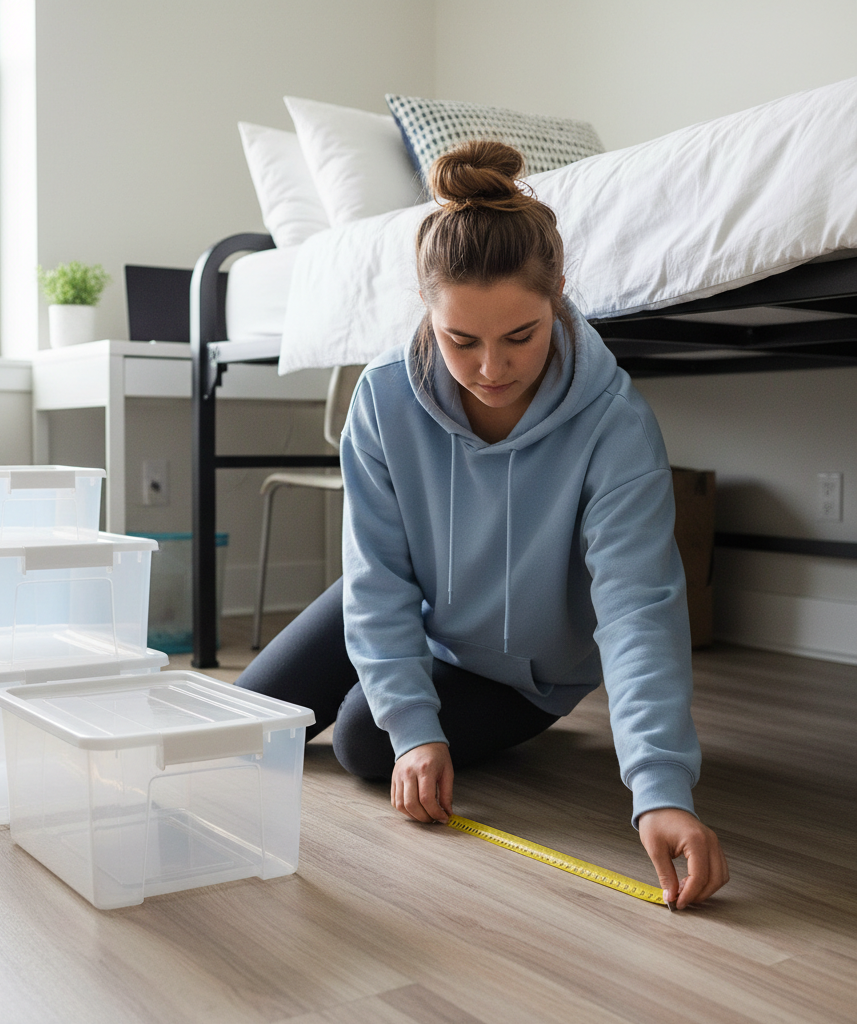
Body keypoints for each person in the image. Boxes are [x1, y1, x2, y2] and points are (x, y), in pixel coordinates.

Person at [237, 140, 729, 910]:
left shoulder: (615, 424)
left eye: (521, 337)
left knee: (369, 738)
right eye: (461, 340)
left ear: (559, 293)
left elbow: (638, 611)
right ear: (427, 311)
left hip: (520, 675)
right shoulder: (383, 400)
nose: (491, 368)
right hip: (423, 607)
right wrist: (418, 722)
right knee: (242, 724)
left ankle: (410, 704)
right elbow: (379, 575)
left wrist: (661, 789)